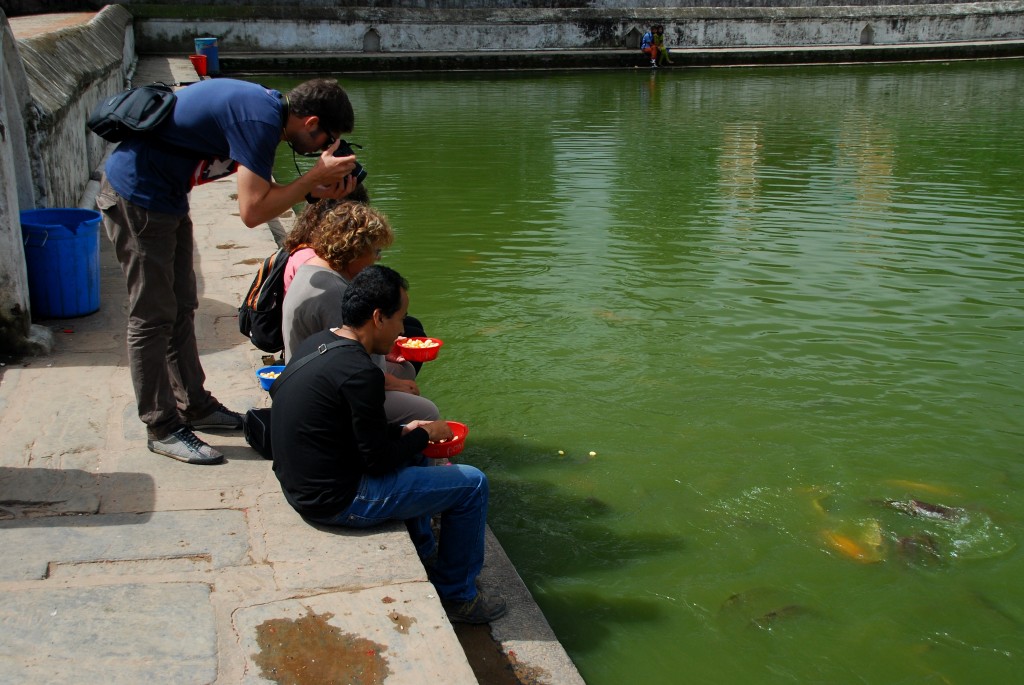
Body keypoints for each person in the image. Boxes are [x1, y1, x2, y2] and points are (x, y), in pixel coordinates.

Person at [97, 77, 362, 465]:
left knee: (183, 304)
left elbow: (264, 192)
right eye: (326, 140)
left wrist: (313, 190)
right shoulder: (259, 121)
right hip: (136, 196)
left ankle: (195, 405)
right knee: (152, 317)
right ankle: (161, 426)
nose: (323, 150)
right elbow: (252, 212)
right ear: (311, 122)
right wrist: (313, 178)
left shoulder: (267, 114)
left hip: (165, 198)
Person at [271, 265, 507, 624]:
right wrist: (423, 434)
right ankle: (459, 596)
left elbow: (354, 433)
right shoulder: (361, 373)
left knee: (413, 440)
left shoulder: (319, 342)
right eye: (401, 318)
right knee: (472, 484)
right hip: (336, 499)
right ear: (378, 318)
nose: (402, 329)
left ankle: (425, 548)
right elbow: (378, 463)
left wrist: (407, 432)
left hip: (301, 483)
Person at [281, 201, 440, 424]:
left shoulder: (312, 268)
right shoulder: (334, 293)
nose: (378, 258)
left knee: (404, 364)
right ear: (355, 250)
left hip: (311, 374)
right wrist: (397, 385)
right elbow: (352, 369)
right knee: (426, 410)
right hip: (329, 395)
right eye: (375, 251)